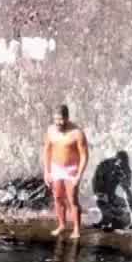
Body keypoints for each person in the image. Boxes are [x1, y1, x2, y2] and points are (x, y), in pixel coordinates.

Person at [42, 103, 89, 241]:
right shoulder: (50, 130)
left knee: (72, 199)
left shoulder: (77, 133)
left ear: (67, 118)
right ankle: (62, 225)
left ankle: (76, 229)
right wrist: (47, 171)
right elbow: (46, 150)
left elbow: (84, 156)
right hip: (56, 168)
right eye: (56, 119)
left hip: (71, 169)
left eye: (61, 119)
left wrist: (79, 176)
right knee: (57, 198)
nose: (58, 123)